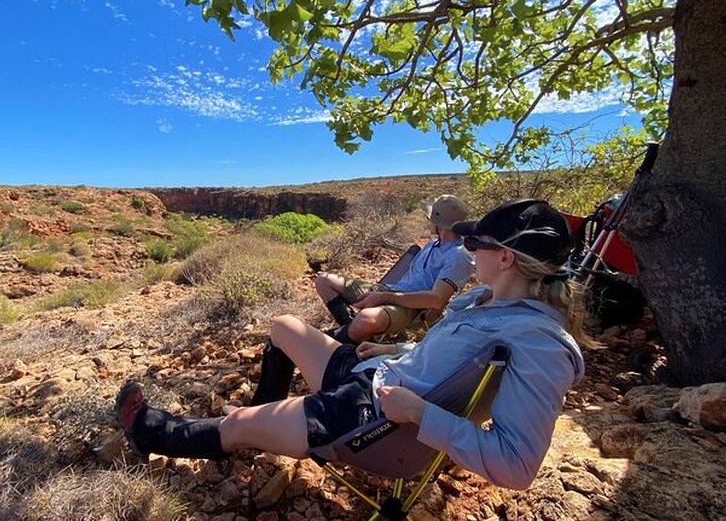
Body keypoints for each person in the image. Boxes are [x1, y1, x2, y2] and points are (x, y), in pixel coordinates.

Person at [115, 199, 592, 490]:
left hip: (376, 420)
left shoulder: (539, 343)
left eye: (477, 246)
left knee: (236, 422)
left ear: (505, 257)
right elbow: (444, 365)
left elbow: (517, 465)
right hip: (378, 378)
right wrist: (394, 352)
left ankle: (157, 434)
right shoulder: (489, 302)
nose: (470, 252)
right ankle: (266, 418)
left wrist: (419, 413)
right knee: (283, 326)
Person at [314, 194, 475, 345]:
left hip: (411, 308)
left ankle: (330, 342)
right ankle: (355, 336)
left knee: (364, 320)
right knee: (323, 280)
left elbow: (436, 300)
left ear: (439, 223)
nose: (428, 220)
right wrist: (384, 295)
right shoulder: (432, 244)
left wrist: (385, 297)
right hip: (392, 291)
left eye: (430, 217)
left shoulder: (458, 255)